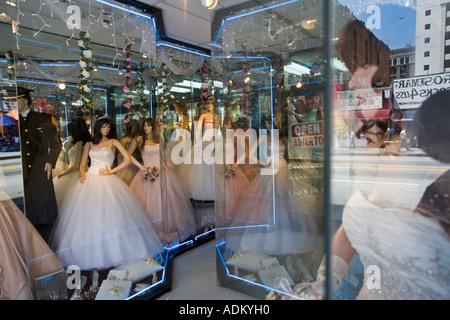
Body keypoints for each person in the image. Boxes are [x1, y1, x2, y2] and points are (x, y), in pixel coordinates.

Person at [49, 116, 163, 271]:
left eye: (108, 127)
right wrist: (83, 174)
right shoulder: (89, 144)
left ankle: (117, 251)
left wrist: (112, 171)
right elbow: (82, 164)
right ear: (98, 128)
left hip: (107, 178)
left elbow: (127, 159)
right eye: (104, 127)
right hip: (90, 179)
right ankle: (85, 253)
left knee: (113, 215)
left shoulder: (113, 142)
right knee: (87, 217)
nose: (106, 129)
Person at [1, 86, 62, 242]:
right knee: (22, 213)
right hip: (19, 172)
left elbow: (55, 144)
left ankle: (46, 249)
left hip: (39, 170)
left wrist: (50, 160)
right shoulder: (11, 122)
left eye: (15, 99)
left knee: (42, 213)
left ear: (25, 100)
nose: (12, 104)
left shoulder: (43, 119)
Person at [128, 118, 197, 245]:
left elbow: (162, 154)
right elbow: (128, 155)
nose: (146, 128)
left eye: (149, 125)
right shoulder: (139, 139)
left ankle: (167, 233)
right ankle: (152, 233)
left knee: (166, 201)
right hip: (146, 171)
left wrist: (165, 162)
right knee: (148, 202)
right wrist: (141, 167)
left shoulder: (158, 138)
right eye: (145, 125)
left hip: (161, 171)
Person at [52, 117, 90, 210]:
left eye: (70, 130)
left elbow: (77, 165)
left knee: (74, 199)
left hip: (76, 172)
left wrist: (64, 173)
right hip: (75, 171)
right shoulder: (78, 143)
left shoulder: (80, 143)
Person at [189, 97, 219, 201]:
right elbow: (198, 130)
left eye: (212, 103)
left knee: (215, 168)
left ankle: (215, 190)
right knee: (204, 168)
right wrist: (199, 142)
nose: (210, 106)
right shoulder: (203, 115)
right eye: (208, 104)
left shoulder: (217, 116)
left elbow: (220, 129)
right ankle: (204, 192)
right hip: (206, 142)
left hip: (216, 142)